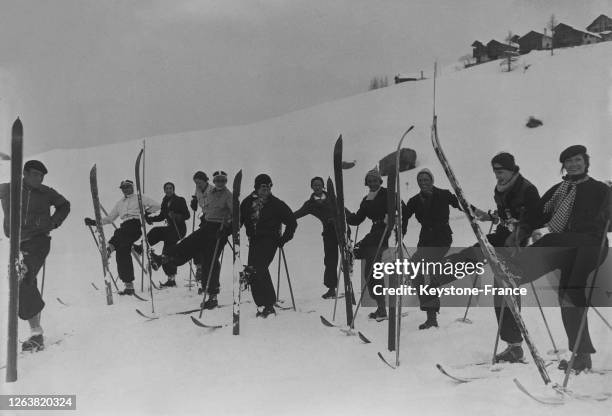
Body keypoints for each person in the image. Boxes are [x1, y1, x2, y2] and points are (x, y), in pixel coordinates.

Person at [509, 145, 610, 372]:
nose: (574, 164)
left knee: (549, 242)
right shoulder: (558, 189)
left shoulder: (600, 190)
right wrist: (522, 231)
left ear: (586, 162)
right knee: (569, 296)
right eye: (569, 161)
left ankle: (515, 270)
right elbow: (537, 214)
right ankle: (581, 356)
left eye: (578, 160)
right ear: (563, 165)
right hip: (566, 248)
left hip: (591, 246)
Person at [0, 160, 70, 351]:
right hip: (17, 243)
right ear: (24, 173)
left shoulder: (47, 192)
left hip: (39, 241)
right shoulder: (8, 189)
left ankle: (36, 333)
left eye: (41, 175)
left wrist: (53, 223)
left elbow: (64, 206)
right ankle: (35, 330)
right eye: (35, 174)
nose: (39, 178)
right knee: (24, 280)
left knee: (21, 276)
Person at [150, 171, 232, 308]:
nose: (219, 183)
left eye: (222, 180)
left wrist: (226, 230)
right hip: (207, 225)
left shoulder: (228, 195)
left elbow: (235, 216)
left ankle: (212, 296)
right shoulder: (209, 193)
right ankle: (165, 258)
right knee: (188, 243)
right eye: (217, 180)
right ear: (214, 181)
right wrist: (195, 203)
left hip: (219, 229)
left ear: (225, 181)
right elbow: (205, 207)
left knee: (210, 260)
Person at [402, 168, 460, 329]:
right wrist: (399, 231)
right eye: (420, 181)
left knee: (428, 272)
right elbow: (403, 218)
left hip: (442, 238)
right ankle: (430, 312)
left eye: (426, 180)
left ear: (432, 180)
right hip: (425, 240)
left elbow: (462, 205)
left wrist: (482, 215)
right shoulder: (414, 201)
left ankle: (432, 317)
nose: (423, 183)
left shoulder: (444, 194)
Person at [85, 179, 160, 295]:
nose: (125, 189)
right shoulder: (120, 203)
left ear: (132, 187)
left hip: (134, 226)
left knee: (119, 233)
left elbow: (156, 205)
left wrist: (146, 213)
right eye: (123, 188)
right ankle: (129, 286)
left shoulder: (139, 198)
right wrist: (95, 222)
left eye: (127, 187)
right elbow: (110, 218)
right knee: (122, 252)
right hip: (124, 227)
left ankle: (109, 247)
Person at [240, 174, 297, 317]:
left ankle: (269, 304)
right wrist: (227, 230)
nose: (266, 189)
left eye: (268, 186)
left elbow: (292, 222)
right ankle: (261, 304)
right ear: (256, 187)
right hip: (254, 240)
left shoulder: (276, 204)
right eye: (262, 186)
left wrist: (283, 239)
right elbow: (239, 220)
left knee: (259, 267)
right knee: (252, 270)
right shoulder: (247, 203)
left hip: (270, 240)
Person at [346, 167, 390, 321]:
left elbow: (401, 208)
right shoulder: (367, 199)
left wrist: (395, 221)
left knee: (373, 270)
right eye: (369, 181)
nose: (372, 183)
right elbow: (357, 219)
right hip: (374, 233)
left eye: (375, 180)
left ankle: (382, 309)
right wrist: (343, 211)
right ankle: (380, 306)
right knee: (367, 270)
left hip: (385, 233)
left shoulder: (388, 193)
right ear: (366, 183)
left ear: (380, 181)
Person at [294, 176, 339, 299]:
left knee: (347, 258)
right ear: (312, 187)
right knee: (330, 260)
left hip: (341, 229)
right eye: (315, 185)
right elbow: (298, 213)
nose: (317, 187)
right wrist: (284, 218)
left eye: (319, 185)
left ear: (323, 186)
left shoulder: (331, 197)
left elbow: (343, 209)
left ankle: (348, 286)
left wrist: (352, 218)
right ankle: (331, 288)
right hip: (329, 233)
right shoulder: (310, 204)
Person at [140, 182, 189, 287]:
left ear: (173, 189)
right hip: (170, 229)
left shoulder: (180, 200)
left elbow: (187, 215)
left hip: (179, 229)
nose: (168, 190)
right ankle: (171, 279)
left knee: (158, 232)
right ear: (164, 190)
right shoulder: (165, 201)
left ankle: (145, 250)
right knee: (167, 251)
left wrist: (176, 216)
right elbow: (162, 216)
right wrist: (150, 218)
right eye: (166, 188)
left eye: (170, 188)